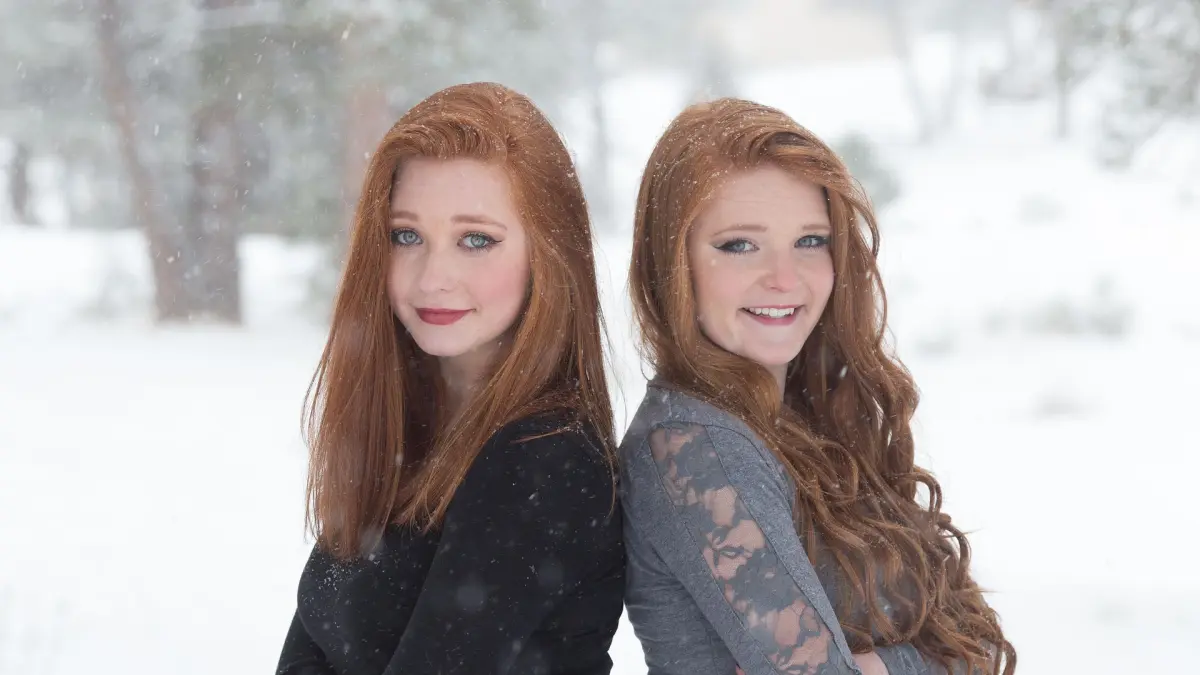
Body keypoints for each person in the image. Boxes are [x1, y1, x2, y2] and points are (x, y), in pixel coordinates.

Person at [619, 98, 1016, 675]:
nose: (785, 278)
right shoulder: (696, 447)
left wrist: (884, 667)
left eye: (810, 241)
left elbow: (976, 641)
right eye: (739, 245)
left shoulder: (808, 415)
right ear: (671, 263)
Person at [275, 82, 625, 675]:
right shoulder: (406, 425)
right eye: (406, 235)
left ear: (549, 254)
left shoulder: (546, 455)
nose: (433, 277)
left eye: (476, 240)